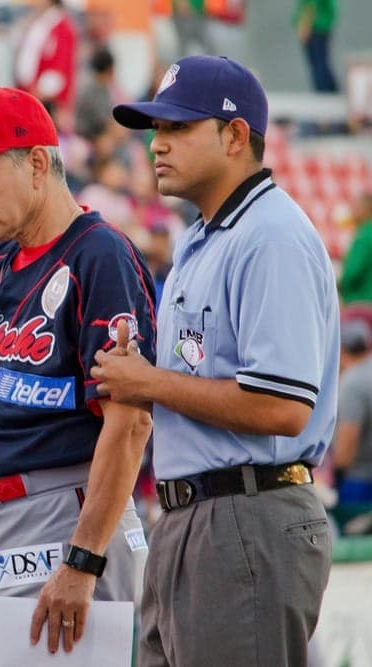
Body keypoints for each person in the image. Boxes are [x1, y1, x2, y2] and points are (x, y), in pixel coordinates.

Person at [97, 55, 340, 666]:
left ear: (235, 136)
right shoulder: (204, 236)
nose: (158, 145)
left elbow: (281, 406)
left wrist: (150, 382)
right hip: (194, 517)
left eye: (178, 128)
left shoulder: (271, 236)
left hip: (249, 514)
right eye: (156, 130)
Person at [0, 87, 156, 662]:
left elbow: (129, 424)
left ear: (39, 164)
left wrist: (83, 558)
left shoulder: (98, 255)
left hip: (60, 516)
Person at [333, 316, 372, 503]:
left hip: (360, 481)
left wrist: (337, 474)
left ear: (340, 349)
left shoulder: (352, 382)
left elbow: (348, 437)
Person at [294, 0, 339, 93]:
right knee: (320, 61)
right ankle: (328, 89)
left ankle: (324, 89)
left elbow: (309, 7)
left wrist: (304, 25)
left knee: (318, 62)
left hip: (316, 29)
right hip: (320, 27)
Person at [339, 192, 372, 305]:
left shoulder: (363, 236)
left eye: (357, 206)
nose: (353, 210)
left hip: (361, 303)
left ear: (367, 208)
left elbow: (351, 273)